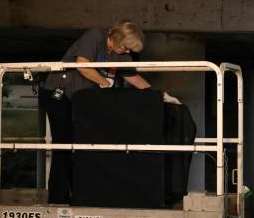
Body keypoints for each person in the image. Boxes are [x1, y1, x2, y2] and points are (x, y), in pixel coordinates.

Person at [38, 20, 179, 204]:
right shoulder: (95, 35)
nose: (128, 51)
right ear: (114, 38)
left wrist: (161, 96)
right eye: (126, 47)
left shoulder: (122, 56)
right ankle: (58, 198)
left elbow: (135, 79)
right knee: (64, 145)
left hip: (82, 101)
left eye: (130, 49)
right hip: (60, 95)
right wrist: (104, 82)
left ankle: (83, 194)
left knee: (86, 146)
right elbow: (83, 64)